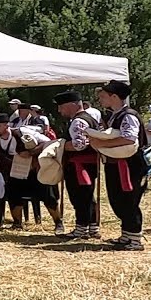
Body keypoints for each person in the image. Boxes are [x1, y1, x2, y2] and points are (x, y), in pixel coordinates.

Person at [88, 80, 148, 251]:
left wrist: (100, 144)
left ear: (114, 96)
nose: (100, 100)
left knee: (128, 199)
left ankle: (135, 239)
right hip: (117, 163)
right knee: (117, 199)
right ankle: (127, 235)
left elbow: (129, 139)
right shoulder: (114, 115)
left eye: (103, 96)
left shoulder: (128, 115)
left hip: (128, 165)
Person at [0, 116, 64, 234]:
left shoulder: (23, 132)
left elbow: (48, 142)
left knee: (48, 197)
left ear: (6, 125)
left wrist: (31, 152)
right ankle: (17, 223)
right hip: (15, 173)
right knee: (13, 196)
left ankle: (58, 223)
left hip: (34, 170)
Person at [56, 91, 101, 240]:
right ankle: (92, 228)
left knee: (80, 196)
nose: (59, 110)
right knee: (86, 196)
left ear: (72, 105)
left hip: (79, 165)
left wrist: (59, 145)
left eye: (61, 107)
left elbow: (79, 145)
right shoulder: (87, 118)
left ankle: (82, 229)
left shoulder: (79, 121)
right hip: (86, 164)